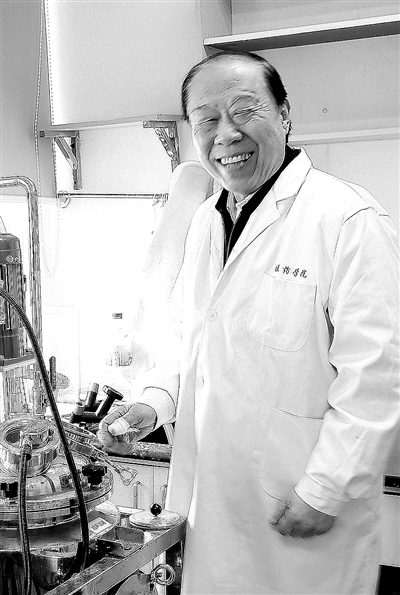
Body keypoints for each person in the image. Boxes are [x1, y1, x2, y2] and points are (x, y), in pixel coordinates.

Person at [98, 51, 399, 595]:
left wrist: (325, 490)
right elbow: (189, 338)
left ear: (284, 113)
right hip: (215, 512)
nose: (226, 134)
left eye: (244, 111)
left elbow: (376, 376)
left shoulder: (347, 219)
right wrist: (154, 402)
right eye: (207, 120)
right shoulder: (206, 222)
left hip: (301, 511)